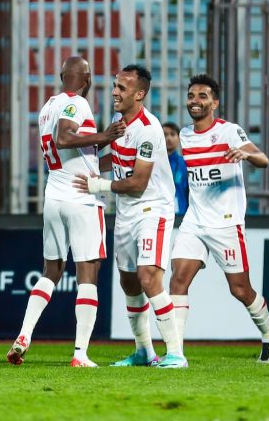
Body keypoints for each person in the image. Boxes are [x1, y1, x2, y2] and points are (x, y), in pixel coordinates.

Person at [7, 56, 125, 367]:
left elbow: (79, 154)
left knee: (51, 271)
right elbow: (64, 138)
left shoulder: (47, 107)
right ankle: (80, 354)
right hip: (81, 200)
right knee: (88, 274)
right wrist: (106, 135)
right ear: (88, 79)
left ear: (62, 76)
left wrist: (113, 153)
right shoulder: (78, 104)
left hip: (54, 197)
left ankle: (24, 335)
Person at [75, 64, 186, 369]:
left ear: (139, 94)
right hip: (125, 212)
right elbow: (116, 158)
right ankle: (143, 352)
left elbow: (138, 183)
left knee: (149, 276)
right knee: (129, 282)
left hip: (152, 209)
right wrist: (87, 168)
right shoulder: (118, 121)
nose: (114, 92)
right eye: (115, 85)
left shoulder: (148, 129)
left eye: (122, 88)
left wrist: (98, 184)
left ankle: (176, 353)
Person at [168, 74, 269, 363]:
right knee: (178, 280)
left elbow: (263, 160)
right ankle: (175, 353)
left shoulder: (229, 131)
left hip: (226, 223)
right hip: (195, 221)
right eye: (191, 95)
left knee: (240, 289)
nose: (195, 101)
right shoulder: (185, 135)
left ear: (215, 103)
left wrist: (245, 154)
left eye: (202, 96)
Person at [163, 122, 188, 215]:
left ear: (179, 138)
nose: (168, 138)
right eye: (165, 135)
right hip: (159, 214)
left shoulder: (186, 163)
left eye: (172, 134)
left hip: (182, 213)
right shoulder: (153, 164)